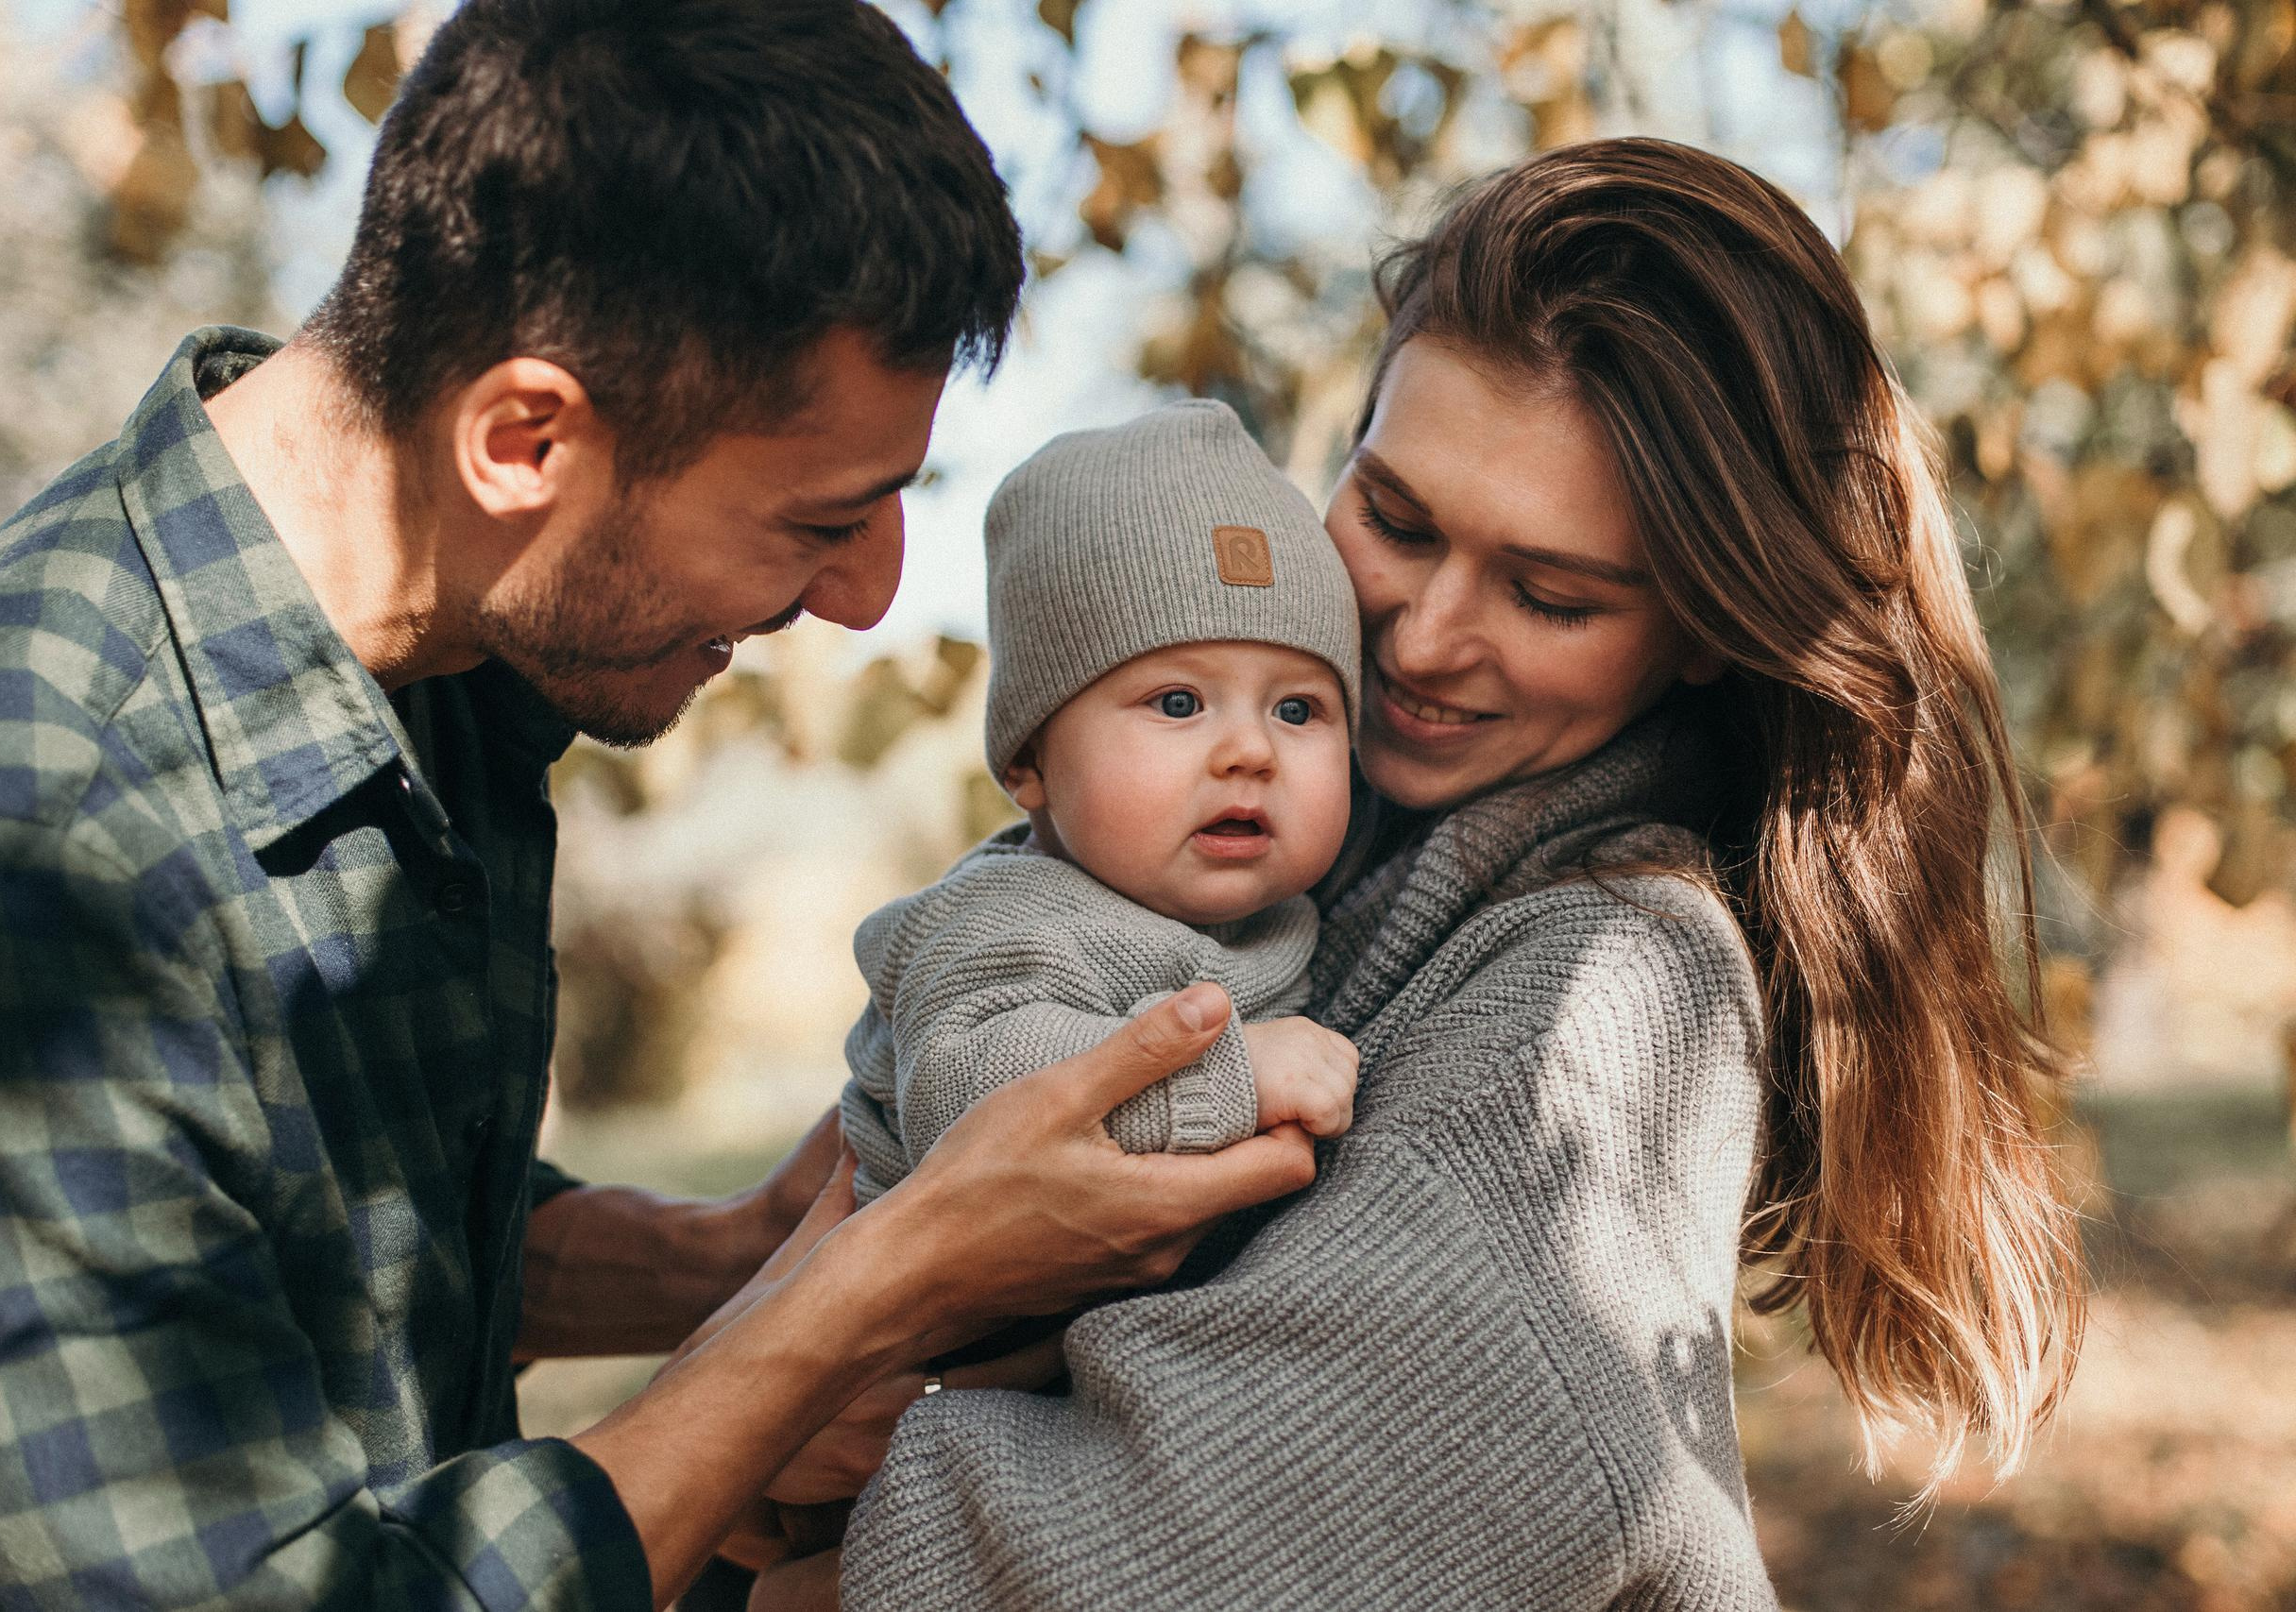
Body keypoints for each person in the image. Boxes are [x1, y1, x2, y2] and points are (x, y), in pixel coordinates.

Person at [0, 5, 1334, 1607]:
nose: (865, 600)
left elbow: (306, 1243)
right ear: (524, 438)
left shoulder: (439, 659)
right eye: (820, 519)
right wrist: (858, 1295)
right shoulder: (6, 837)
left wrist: (726, 1252)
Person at [765, 139, 2088, 1610]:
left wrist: (816, 1478)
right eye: (1393, 518)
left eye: (1548, 593)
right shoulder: (1320, 863)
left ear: (1706, 625)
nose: (1418, 634)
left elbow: (1164, 1559)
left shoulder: (1606, 1006)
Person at [839, 400, 1365, 1210]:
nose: (1252, 751)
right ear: (1029, 762)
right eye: (1180, 702)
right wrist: (1238, 1073)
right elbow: (967, 1095)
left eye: (1296, 710)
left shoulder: (1287, 914)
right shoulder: (1004, 922)